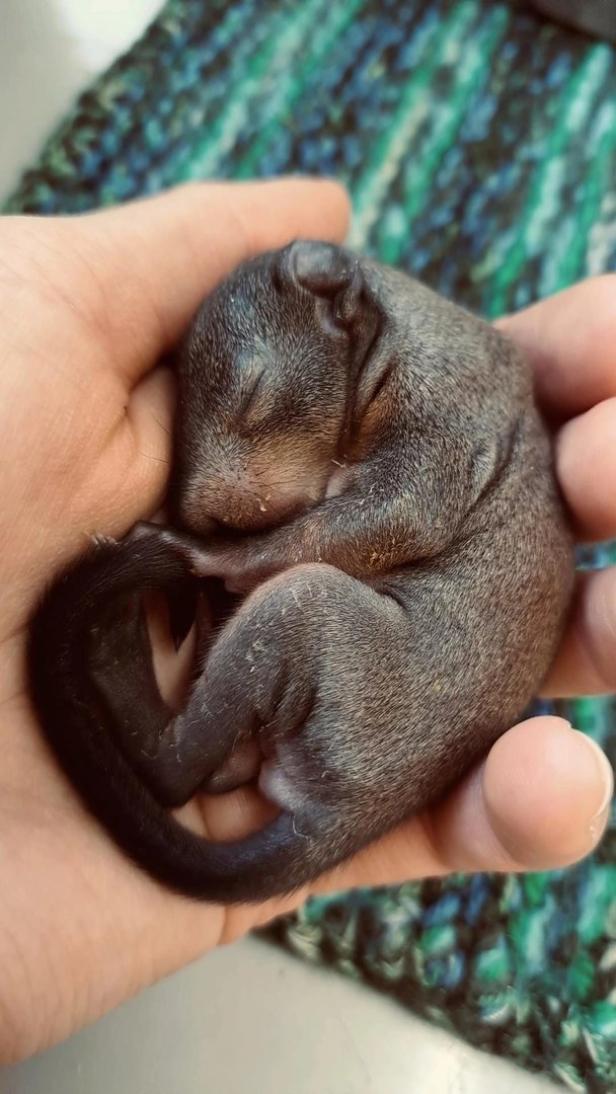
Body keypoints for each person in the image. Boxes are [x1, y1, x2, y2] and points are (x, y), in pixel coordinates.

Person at [0, 178, 613, 1063]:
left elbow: (405, 520)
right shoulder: (370, 381)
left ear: (337, 308)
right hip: (378, 695)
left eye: (249, 410)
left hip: (393, 693)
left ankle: (178, 758)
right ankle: (218, 738)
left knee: (306, 600)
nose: (217, 492)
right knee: (302, 600)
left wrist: (240, 560)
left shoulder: (447, 384)